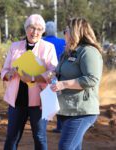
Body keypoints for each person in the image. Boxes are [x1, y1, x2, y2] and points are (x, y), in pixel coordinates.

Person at [1, 14, 58, 150]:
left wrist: (32, 77)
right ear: (26, 29)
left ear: (43, 31)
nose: (35, 32)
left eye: (39, 29)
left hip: (39, 101)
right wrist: (9, 74)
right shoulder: (15, 46)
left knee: (39, 137)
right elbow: (4, 70)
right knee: (12, 137)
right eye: (32, 28)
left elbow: (53, 73)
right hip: (17, 100)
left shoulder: (48, 47)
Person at [50, 17, 103, 150]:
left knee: (65, 147)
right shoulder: (68, 51)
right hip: (67, 109)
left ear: (75, 31)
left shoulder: (88, 51)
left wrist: (64, 84)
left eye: (65, 30)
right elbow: (60, 72)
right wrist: (53, 75)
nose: (64, 34)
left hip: (82, 111)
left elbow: (92, 79)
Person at [43, 21, 66, 133]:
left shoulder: (41, 42)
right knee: (59, 99)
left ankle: (42, 124)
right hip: (61, 74)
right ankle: (60, 126)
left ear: (45, 30)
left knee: (46, 99)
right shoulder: (63, 41)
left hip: (46, 75)